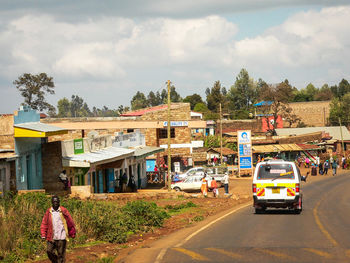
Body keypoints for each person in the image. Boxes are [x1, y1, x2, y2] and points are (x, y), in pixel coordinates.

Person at [41, 196, 76, 263]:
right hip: (52, 236)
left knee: (61, 254)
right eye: (54, 202)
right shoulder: (49, 212)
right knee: (49, 251)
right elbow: (44, 223)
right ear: (52, 202)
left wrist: (72, 232)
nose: (56, 203)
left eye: (57, 201)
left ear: (59, 202)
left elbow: (70, 222)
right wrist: (43, 234)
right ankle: (56, 261)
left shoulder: (63, 210)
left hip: (61, 236)